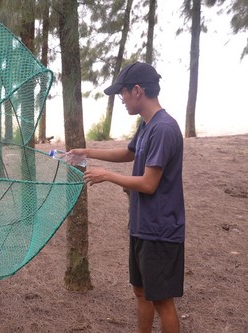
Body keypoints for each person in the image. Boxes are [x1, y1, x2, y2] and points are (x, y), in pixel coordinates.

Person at [66, 62, 185, 333]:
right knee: (141, 292)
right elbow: (129, 153)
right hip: (142, 225)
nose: (122, 100)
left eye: (123, 94)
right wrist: (87, 152)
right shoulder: (147, 126)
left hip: (161, 229)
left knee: (163, 302)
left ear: (138, 91)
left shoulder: (164, 128)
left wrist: (107, 176)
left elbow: (148, 183)